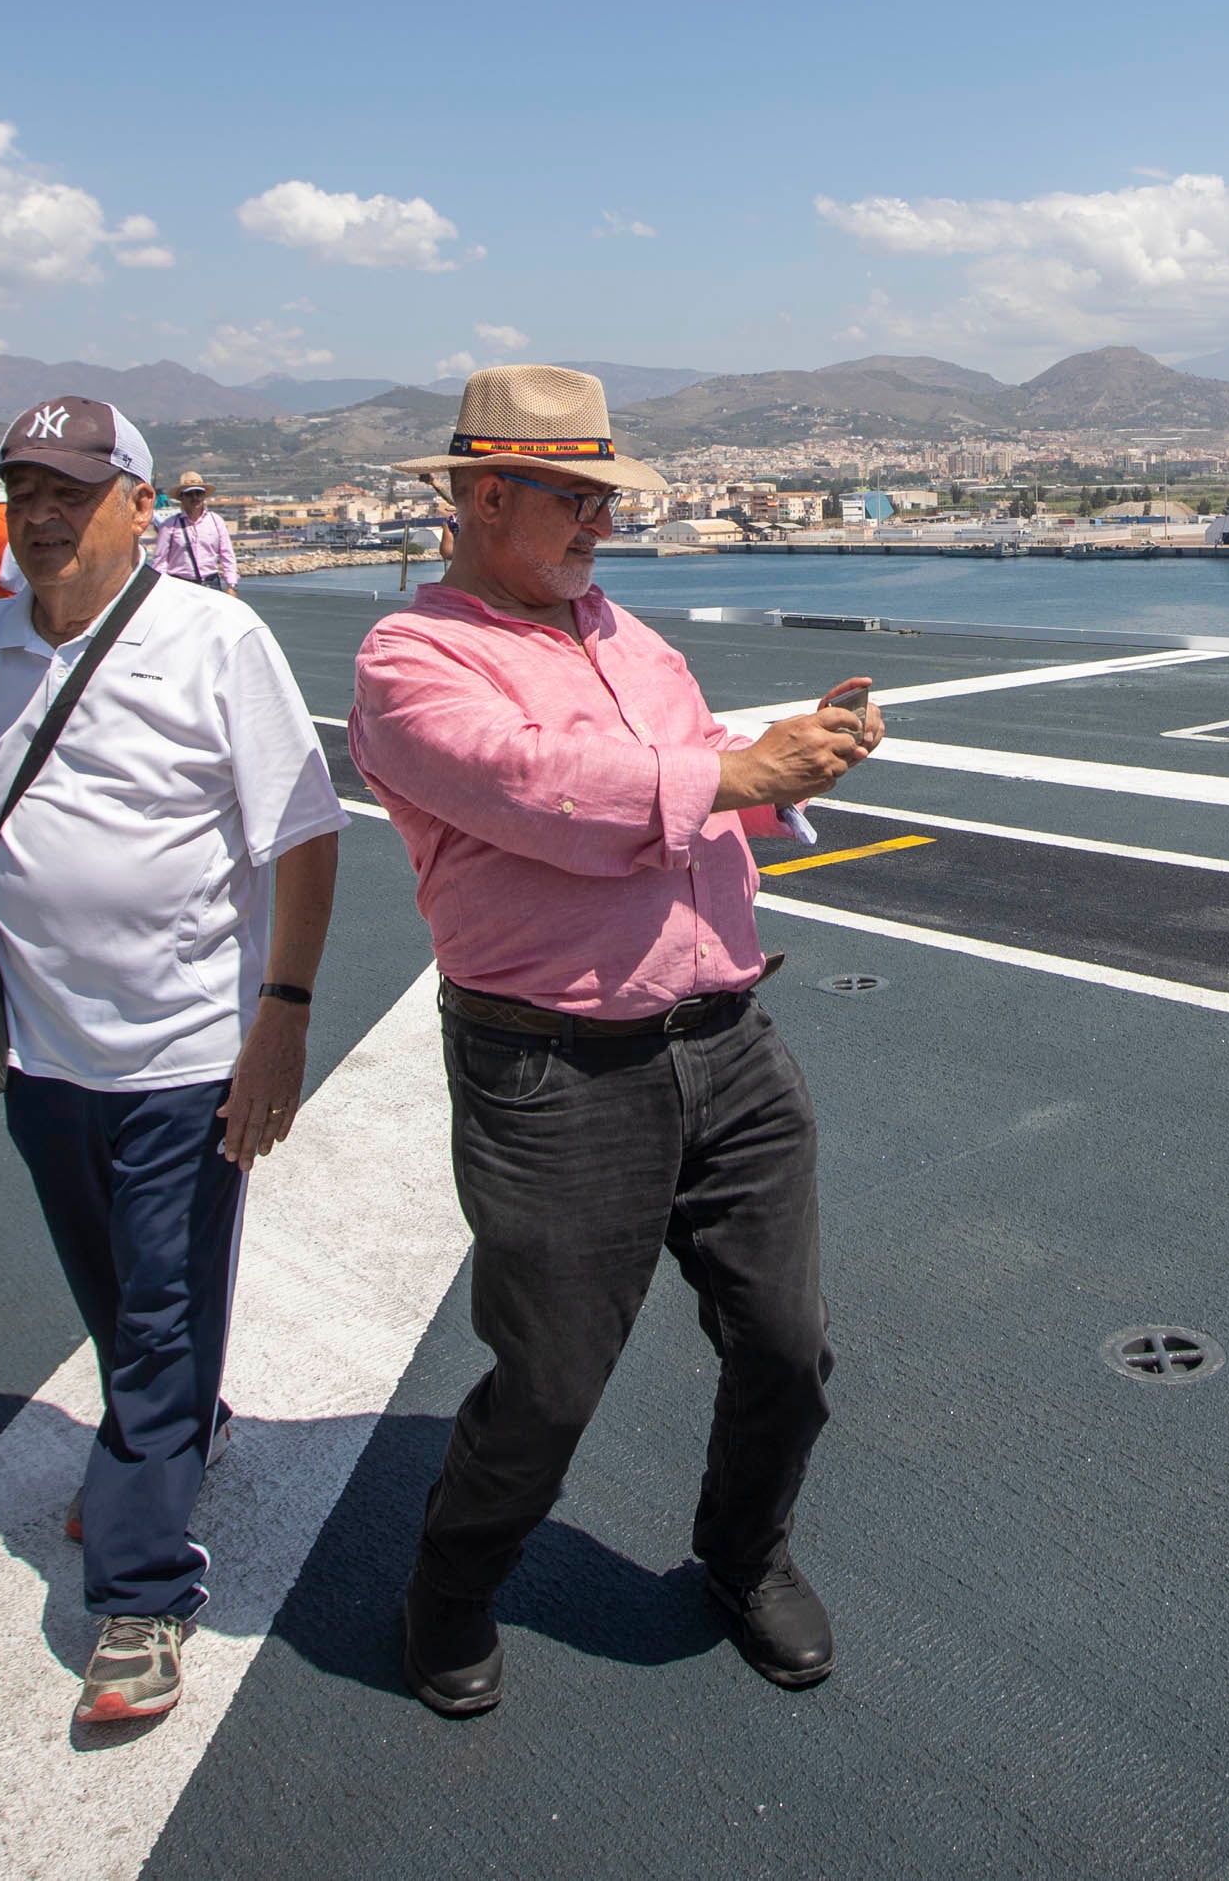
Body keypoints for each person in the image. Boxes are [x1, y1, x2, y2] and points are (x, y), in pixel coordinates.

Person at [349, 367, 882, 1718]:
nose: (600, 520)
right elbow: (544, 790)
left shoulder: (634, 639)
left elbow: (698, 768)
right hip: (556, 1070)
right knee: (549, 1382)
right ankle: (452, 1587)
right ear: (479, 495)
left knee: (786, 1341)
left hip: (727, 1035)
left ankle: (742, 1550)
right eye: (573, 495)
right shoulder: (411, 661)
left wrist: (793, 759)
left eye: (605, 496)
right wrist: (731, 772)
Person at [0, 397, 343, 1730]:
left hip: (189, 1051)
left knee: (149, 1313)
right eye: (24, 484)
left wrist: (283, 1014)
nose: (46, 507)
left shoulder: (217, 639)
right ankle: (182, 1421)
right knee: (120, 1290)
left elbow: (305, 835)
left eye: (74, 485)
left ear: (139, 502)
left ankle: (140, 1591)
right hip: (39, 1049)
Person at [146, 473, 239, 592]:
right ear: (181, 497)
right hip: (179, 586)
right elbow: (160, 561)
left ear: (204, 495)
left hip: (211, 584)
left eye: (198, 493)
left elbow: (227, 554)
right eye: (190, 494)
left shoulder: (216, 521)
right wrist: (160, 589)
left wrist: (232, 585)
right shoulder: (170, 525)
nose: (195, 498)